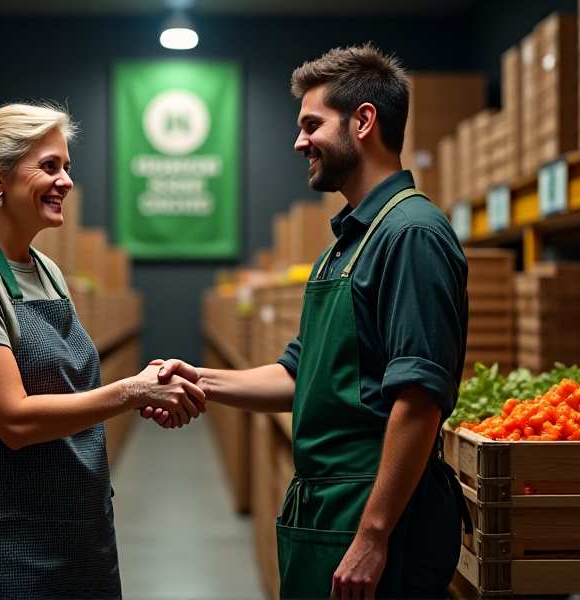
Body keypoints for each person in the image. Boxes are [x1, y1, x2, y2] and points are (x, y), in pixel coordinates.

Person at [148, 44, 473, 599]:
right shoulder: (346, 243)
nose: (300, 142)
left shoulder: (412, 234)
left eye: (312, 124)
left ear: (364, 121)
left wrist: (374, 534)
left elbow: (419, 398)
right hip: (328, 506)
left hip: (373, 510)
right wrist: (196, 380)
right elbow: (302, 375)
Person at [0, 102, 205, 600]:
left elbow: (72, 392)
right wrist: (131, 390)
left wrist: (146, 392)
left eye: (66, 168)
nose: (65, 182)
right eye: (49, 166)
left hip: (76, 524)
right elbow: (15, 421)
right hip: (3, 534)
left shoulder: (47, 271)